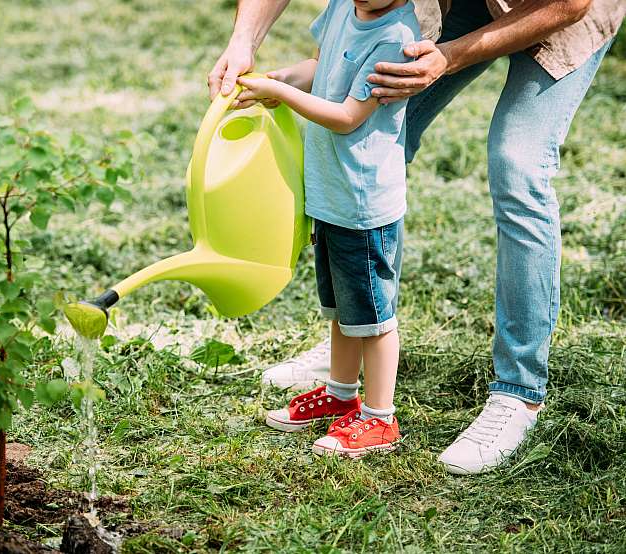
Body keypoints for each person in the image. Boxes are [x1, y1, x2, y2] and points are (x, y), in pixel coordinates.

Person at [209, 0, 624, 473]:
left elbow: (568, 5)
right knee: (377, 135)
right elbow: (333, 79)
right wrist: (244, 42)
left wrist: (449, 55)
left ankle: (518, 391)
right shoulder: (374, 17)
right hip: (466, 5)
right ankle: (353, 346)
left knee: (518, 165)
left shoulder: (394, 28)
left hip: (560, 8)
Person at [246, 0, 420, 458]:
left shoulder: (397, 39)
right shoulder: (345, 7)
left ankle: (381, 419)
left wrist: (282, 96)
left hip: (363, 202)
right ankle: (342, 395)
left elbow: (347, 118)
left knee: (374, 320)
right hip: (331, 194)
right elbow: (320, 67)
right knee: (343, 311)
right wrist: (281, 80)